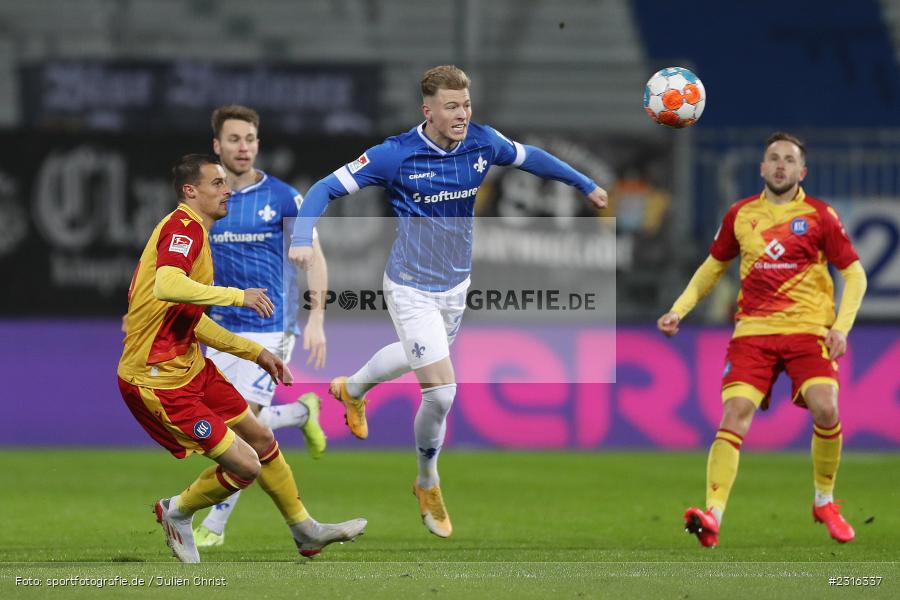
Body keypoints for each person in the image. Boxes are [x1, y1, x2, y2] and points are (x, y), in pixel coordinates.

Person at [288, 65, 608, 538]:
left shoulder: (483, 142)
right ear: (429, 110)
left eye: (467, 105)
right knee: (441, 392)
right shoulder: (394, 155)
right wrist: (301, 235)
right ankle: (427, 482)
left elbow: (532, 157)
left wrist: (584, 184)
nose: (462, 114)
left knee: (417, 357)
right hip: (409, 286)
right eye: (452, 107)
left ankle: (351, 389)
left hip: (456, 286)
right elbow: (323, 188)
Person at [117, 154, 365, 563]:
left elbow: (191, 321)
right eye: (215, 183)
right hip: (157, 380)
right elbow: (166, 283)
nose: (226, 189)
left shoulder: (200, 234)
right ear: (190, 192)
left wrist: (255, 352)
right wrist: (237, 296)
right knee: (246, 467)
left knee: (262, 437)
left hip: (192, 367)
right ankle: (177, 512)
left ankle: (305, 530)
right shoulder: (183, 229)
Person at [656, 132, 867, 548]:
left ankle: (824, 500)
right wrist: (678, 309)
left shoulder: (821, 216)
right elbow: (711, 268)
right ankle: (712, 515)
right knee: (734, 413)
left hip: (809, 331)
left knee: (826, 408)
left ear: (802, 171)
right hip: (753, 331)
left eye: (789, 159)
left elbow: (855, 273)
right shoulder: (740, 214)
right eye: (773, 158)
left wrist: (841, 326)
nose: (780, 165)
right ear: (762, 168)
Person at [193, 105, 329, 549]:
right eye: (234, 139)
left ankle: (213, 526)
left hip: (271, 327)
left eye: (250, 138)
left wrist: (317, 319)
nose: (243, 147)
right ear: (217, 146)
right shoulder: (206, 199)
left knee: (240, 427)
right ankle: (301, 413)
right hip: (219, 328)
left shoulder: (284, 198)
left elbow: (316, 255)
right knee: (220, 422)